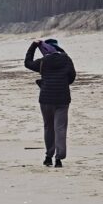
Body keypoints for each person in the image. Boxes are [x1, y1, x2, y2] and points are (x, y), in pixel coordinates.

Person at [24, 38, 76, 168]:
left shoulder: (43, 62)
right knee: (60, 128)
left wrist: (33, 46)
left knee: (48, 127)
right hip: (63, 99)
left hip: (46, 99)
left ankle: (48, 157)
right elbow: (72, 77)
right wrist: (62, 83)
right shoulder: (66, 60)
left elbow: (27, 63)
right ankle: (59, 159)